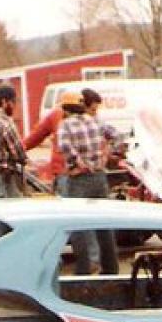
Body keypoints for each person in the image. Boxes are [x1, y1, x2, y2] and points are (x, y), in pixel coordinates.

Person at [56, 90, 119, 275]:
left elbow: (64, 146)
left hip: (79, 179)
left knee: (78, 226)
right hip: (99, 178)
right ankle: (111, 269)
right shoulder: (94, 121)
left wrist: (79, 163)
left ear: (65, 109)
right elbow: (116, 136)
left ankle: (84, 270)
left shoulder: (65, 125)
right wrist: (106, 155)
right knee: (104, 224)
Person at [21, 94, 67, 190]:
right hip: (81, 172)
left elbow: (35, 137)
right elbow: (35, 137)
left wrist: (16, 149)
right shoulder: (56, 115)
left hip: (64, 172)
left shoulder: (56, 115)